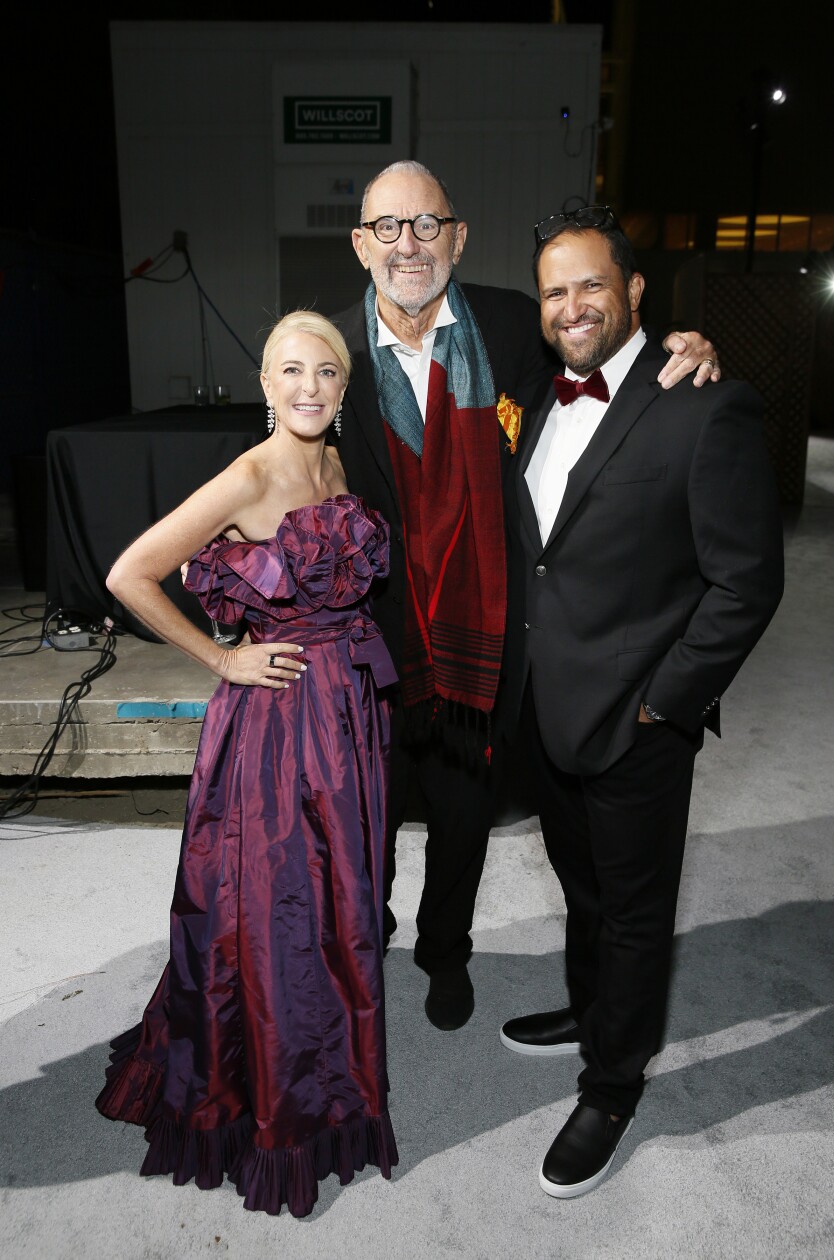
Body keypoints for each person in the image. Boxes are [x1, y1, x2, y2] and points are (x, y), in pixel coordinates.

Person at [330, 159, 721, 1031]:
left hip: (483, 646)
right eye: (388, 226)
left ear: (459, 237)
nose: (408, 244)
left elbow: (603, 353)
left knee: (463, 821)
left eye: (428, 224)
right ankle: (363, 944)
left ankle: (445, 952)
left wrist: (681, 347)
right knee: (363, 826)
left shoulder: (513, 325)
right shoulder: (335, 358)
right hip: (375, 647)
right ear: (361, 245)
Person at [499, 207, 784, 1197]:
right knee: (581, 888)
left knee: (633, 913)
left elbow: (747, 581)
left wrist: (666, 703)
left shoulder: (705, 404)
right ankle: (592, 1011)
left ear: (633, 291)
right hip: (544, 710)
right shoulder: (535, 394)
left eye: (590, 284)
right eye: (553, 291)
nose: (571, 305)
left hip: (636, 722)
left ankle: (614, 1084)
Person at [94, 311, 399, 1218]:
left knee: (343, 905)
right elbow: (129, 574)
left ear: (344, 388)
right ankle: (281, 1100)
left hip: (348, 716)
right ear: (265, 385)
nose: (310, 388)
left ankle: (337, 1070)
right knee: (275, 916)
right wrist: (222, 658)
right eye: (291, 371)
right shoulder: (250, 475)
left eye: (327, 373)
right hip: (278, 729)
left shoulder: (337, 465)